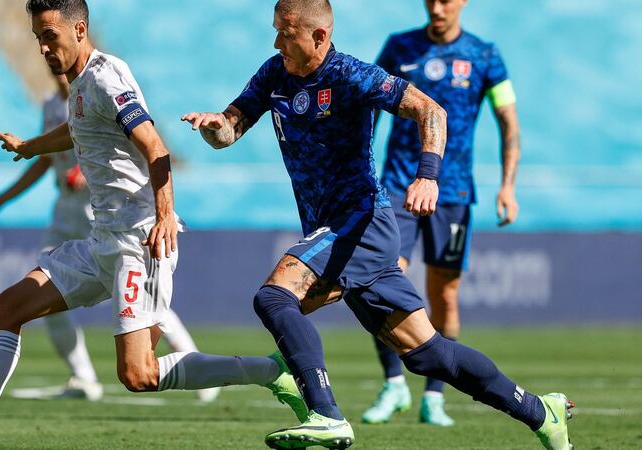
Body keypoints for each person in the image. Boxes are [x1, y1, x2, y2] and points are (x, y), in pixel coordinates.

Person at [181, 1, 572, 449]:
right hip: (340, 231)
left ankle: (324, 413)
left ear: (319, 37)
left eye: (285, 33)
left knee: (274, 296)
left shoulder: (350, 75)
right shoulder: (274, 73)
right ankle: (542, 412)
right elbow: (230, 131)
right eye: (275, 32)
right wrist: (213, 126)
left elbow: (433, 113)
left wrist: (427, 175)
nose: (276, 42)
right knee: (428, 354)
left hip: (360, 221)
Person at [0, 1, 306, 448]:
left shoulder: (106, 76)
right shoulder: (77, 86)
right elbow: (78, 128)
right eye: (37, 36)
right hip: (102, 243)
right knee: (3, 310)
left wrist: (165, 216)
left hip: (140, 242)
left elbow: (155, 147)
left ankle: (272, 371)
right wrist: (31, 147)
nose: (42, 47)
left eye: (49, 35)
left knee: (138, 375)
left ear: (79, 30)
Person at [0, 72, 219, 404]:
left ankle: (192, 360)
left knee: (141, 295)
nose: (56, 67)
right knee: (41, 291)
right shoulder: (52, 105)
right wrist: (3, 199)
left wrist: (86, 181)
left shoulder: (98, 93)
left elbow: (127, 158)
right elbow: (47, 160)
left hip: (102, 213)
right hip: (65, 212)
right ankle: (83, 376)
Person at [361, 0, 522, 427]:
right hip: (398, 184)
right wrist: (360, 166)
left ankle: (435, 396)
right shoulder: (399, 47)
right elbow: (371, 107)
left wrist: (507, 185)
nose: (437, 7)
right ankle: (394, 382)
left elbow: (509, 120)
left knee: (444, 295)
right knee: (381, 279)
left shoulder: (485, 55)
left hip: (452, 193)